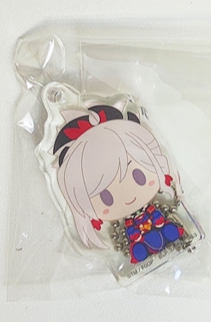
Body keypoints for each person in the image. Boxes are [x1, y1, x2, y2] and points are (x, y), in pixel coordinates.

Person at [53, 104, 184, 264]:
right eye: (106, 197)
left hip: (157, 224)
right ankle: (141, 251)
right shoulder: (127, 223)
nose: (129, 197)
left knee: (168, 229)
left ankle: (169, 234)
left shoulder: (152, 209)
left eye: (139, 177)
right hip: (140, 237)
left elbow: (158, 217)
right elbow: (131, 232)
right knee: (139, 245)